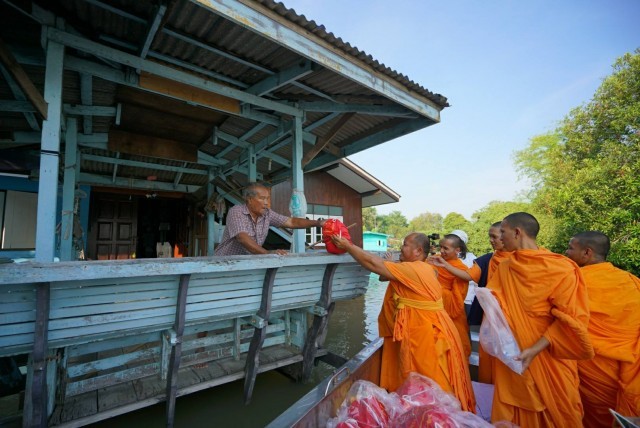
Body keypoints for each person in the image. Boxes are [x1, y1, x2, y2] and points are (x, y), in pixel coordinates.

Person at [331, 232, 476, 412]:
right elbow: (384, 273)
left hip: (425, 332)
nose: (401, 247)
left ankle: (437, 417)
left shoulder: (417, 269)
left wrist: (347, 246)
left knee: (430, 381)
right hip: (422, 327)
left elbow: (373, 264)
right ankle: (424, 414)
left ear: (418, 251)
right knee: (423, 378)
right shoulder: (421, 267)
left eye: (405, 244)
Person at [488, 212, 594, 427]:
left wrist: (534, 349)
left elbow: (570, 319)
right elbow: (496, 308)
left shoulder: (560, 268)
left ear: (517, 232)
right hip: (514, 355)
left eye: (503, 232)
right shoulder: (505, 267)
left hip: (548, 356)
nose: (500, 237)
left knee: (559, 412)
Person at [565, 231, 640, 427]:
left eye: (571, 248)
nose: (566, 252)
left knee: (595, 415)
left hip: (594, 365)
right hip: (628, 367)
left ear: (587, 252)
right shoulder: (632, 281)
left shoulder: (573, 281)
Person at [429, 222, 512, 383]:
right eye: (490, 237)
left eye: (494, 236)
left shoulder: (522, 259)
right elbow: (467, 276)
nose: (491, 240)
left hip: (514, 316)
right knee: (489, 355)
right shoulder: (486, 259)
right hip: (491, 314)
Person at [214, 183, 325, 256]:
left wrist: (318, 223)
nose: (266, 202)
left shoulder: (267, 214)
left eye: (267, 198)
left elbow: (291, 221)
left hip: (246, 263)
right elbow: (243, 238)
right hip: (224, 262)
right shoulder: (237, 211)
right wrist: (268, 253)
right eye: (262, 198)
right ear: (250, 199)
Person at [429, 233, 472, 358]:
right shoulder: (435, 259)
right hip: (431, 310)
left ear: (457, 250)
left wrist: (435, 288)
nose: (441, 251)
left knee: (453, 352)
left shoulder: (460, 269)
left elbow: (456, 302)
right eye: (440, 247)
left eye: (446, 248)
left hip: (450, 315)